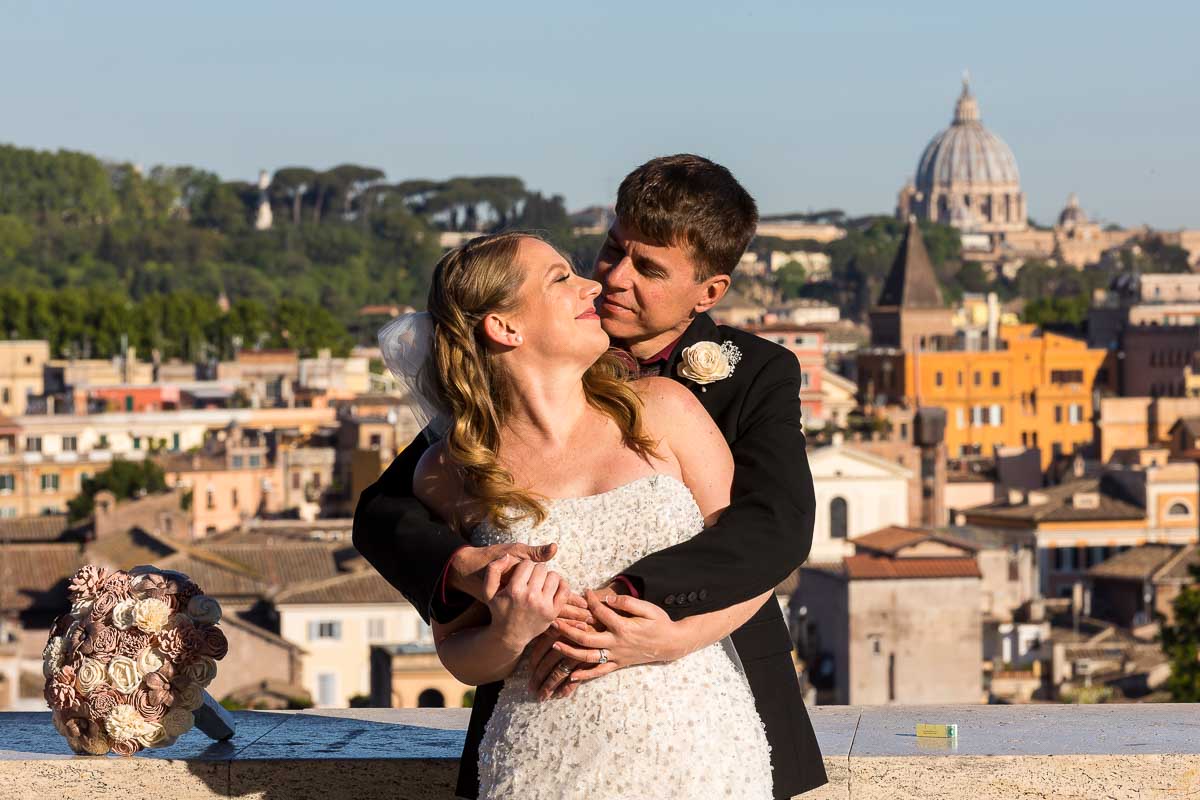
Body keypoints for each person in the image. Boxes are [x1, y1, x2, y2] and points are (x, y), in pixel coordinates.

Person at [355, 154, 827, 799]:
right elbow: (384, 513)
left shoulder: (751, 374)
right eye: (612, 251)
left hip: (705, 712)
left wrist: (658, 633)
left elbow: (774, 531)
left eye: (650, 270)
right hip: (542, 725)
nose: (612, 280)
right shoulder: (488, 422)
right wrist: (470, 568)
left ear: (709, 292)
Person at [404, 230, 773, 798]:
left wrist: (671, 640)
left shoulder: (666, 409)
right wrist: (510, 632)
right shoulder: (447, 470)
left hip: (701, 747)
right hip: (542, 758)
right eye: (561, 279)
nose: (593, 285)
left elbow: (755, 564)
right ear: (505, 326)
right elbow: (458, 654)